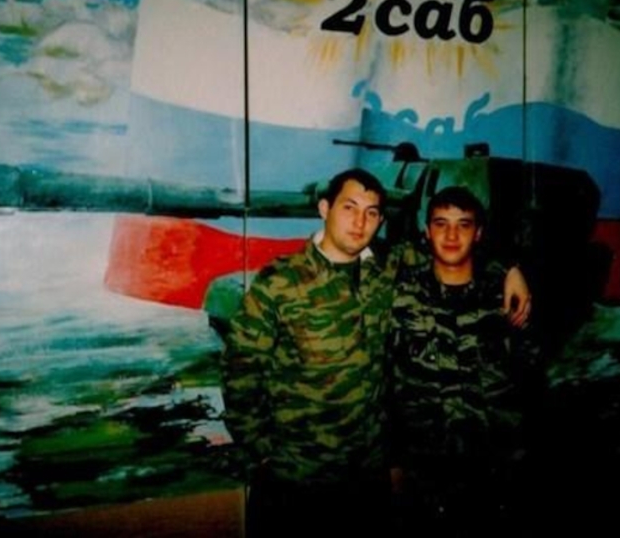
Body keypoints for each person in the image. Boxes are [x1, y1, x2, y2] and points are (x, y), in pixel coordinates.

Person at [220, 169, 531, 538]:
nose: (359, 222)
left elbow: (453, 245)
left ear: (381, 220)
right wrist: (262, 454)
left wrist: (510, 269)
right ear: (324, 209)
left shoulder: (387, 265)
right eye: (349, 207)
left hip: (367, 475)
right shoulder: (280, 281)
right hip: (296, 477)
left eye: (371, 212)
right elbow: (240, 369)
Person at [390, 185, 540, 536]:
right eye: (441, 224)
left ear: (479, 233)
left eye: (464, 224)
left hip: (497, 471)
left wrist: (511, 267)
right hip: (424, 472)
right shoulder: (400, 295)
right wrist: (394, 462)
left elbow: (532, 382)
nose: (452, 235)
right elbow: (387, 383)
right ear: (427, 232)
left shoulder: (508, 300)